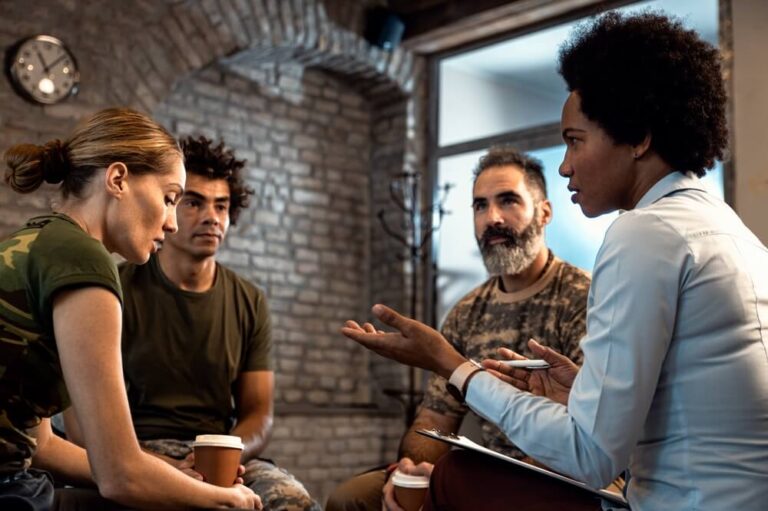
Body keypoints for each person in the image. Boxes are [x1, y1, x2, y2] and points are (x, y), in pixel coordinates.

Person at [342, 11, 768, 511]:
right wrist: (581, 393)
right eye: (479, 205)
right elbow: (682, 412)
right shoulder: (732, 231)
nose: (564, 165)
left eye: (574, 141)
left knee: (458, 476)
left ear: (639, 137)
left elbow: (590, 456)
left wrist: (451, 364)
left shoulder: (644, 234)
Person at [0, 108, 260, 510]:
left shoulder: (37, 239)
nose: (172, 222)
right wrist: (226, 499)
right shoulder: (84, 261)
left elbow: (44, 445)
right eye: (170, 198)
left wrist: (172, 474)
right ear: (118, 179)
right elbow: (120, 476)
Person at [327, 147, 591, 511]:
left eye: (508, 201)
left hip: (560, 481)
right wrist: (412, 470)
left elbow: (592, 437)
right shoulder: (467, 311)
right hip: (482, 475)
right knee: (351, 499)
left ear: (544, 212)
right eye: (480, 206)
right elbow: (435, 417)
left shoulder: (582, 299)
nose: (492, 218)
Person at [64, 135, 319, 511]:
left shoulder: (249, 300)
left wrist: (222, 457)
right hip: (136, 448)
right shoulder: (112, 287)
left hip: (222, 452)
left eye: (222, 205)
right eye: (193, 202)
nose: (211, 217)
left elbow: (258, 415)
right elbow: (85, 430)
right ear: (167, 207)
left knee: (294, 501)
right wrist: (166, 469)